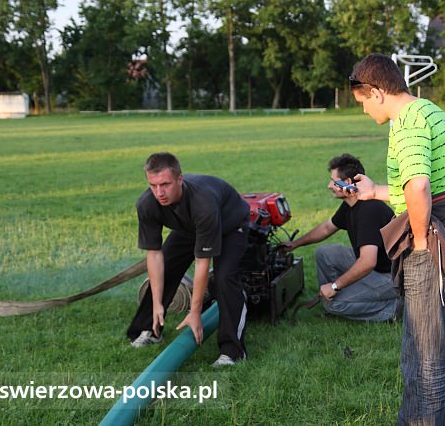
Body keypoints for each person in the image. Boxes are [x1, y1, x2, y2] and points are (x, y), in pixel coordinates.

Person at [349, 53, 445, 425]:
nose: (365, 110)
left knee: (422, 356)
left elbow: (419, 185)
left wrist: (419, 243)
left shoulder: (407, 123)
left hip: (437, 240)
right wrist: (373, 192)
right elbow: (439, 185)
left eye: (364, 102)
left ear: (378, 92)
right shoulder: (433, 112)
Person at [127, 152, 250, 367]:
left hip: (229, 225)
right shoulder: (147, 203)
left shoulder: (203, 203)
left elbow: (202, 262)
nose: (159, 192)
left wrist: (195, 312)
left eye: (165, 184)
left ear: (180, 180)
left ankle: (233, 351)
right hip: (190, 227)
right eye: (153, 185)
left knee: (224, 278)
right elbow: (154, 255)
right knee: (167, 264)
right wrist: (157, 303)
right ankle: (151, 329)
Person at [279, 153, 400, 321]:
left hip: (390, 276)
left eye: (333, 181)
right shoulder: (351, 203)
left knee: (335, 304)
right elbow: (327, 227)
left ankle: (396, 309)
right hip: (374, 266)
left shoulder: (369, 211)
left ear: (348, 183)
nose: (329, 185)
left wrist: (335, 286)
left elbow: (367, 262)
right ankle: (335, 297)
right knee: (325, 253)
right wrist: (295, 244)